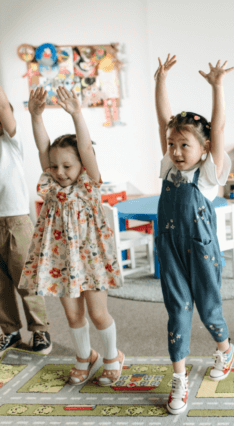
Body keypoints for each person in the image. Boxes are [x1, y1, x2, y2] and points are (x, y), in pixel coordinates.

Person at [19, 86, 124, 387]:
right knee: (73, 315)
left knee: (98, 312)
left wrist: (77, 113)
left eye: (68, 165)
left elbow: (87, 149)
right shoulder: (52, 184)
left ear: (81, 165)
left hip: (90, 259)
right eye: (55, 166)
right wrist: (35, 115)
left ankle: (112, 357)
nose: (60, 172)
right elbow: (43, 149)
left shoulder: (88, 183)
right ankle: (83, 356)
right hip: (60, 260)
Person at [154, 55, 234, 415]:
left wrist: (217, 87)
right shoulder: (169, 166)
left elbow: (217, 129)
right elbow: (163, 120)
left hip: (201, 251)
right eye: (173, 144)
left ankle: (224, 348)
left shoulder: (206, 176)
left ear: (203, 150)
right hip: (170, 248)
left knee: (208, 309)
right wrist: (160, 81)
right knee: (178, 311)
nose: (176, 150)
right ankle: (180, 378)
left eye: (185, 145)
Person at [0, 84, 51, 355]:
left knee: (25, 278)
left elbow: (3, 108)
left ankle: (40, 329)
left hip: (16, 220)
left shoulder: (11, 142)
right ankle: (10, 331)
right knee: (0, 285)